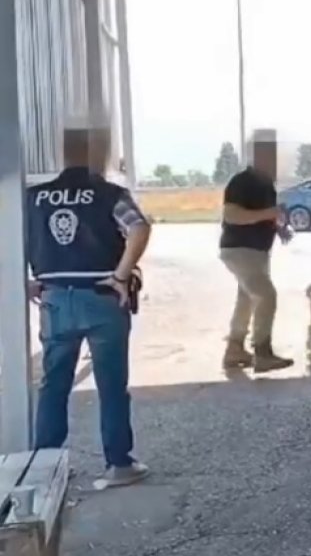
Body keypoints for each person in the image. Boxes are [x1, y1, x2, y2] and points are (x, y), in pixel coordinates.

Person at [25, 124, 151, 488]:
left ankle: (44, 467)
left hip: (55, 299)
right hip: (102, 297)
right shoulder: (110, 194)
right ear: (100, 154)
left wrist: (28, 279)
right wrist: (122, 274)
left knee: (54, 383)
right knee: (111, 385)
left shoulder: (34, 197)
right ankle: (118, 464)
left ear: (63, 153)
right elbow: (139, 229)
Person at [219, 129, 294, 372]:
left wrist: (277, 227)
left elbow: (263, 215)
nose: (274, 158)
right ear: (256, 154)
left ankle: (234, 349)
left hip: (257, 251)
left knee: (247, 300)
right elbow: (231, 214)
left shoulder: (265, 184)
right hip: (241, 250)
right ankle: (262, 353)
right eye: (268, 152)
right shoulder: (242, 181)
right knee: (265, 296)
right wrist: (268, 214)